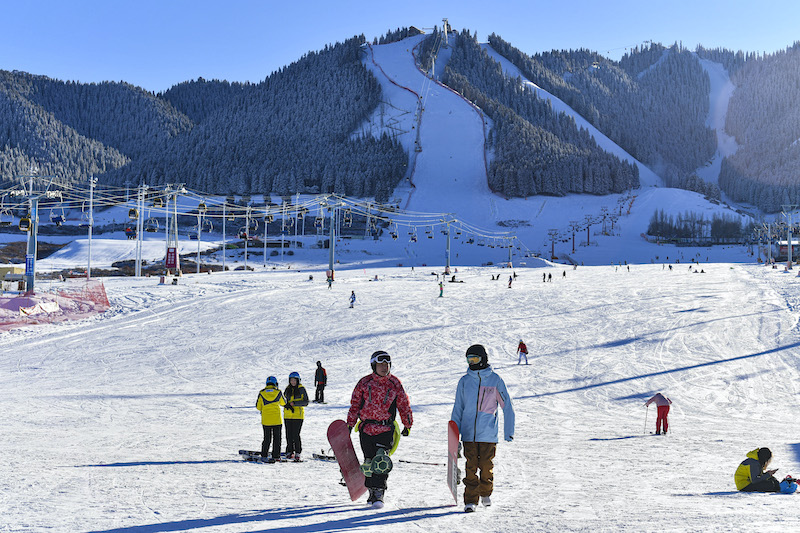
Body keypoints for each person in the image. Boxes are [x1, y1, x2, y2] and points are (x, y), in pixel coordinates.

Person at [451, 344, 515, 513]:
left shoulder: (495, 380)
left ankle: (485, 492)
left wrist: (509, 431)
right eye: (469, 360)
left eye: (475, 359)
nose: (472, 363)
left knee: (486, 466)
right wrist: (454, 433)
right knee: (470, 468)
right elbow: (458, 407)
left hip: (488, 434)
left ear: (483, 359)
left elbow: (506, 406)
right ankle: (470, 500)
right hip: (468, 434)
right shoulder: (464, 381)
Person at [347, 350, 413, 506]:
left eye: (387, 364)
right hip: (366, 429)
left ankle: (379, 493)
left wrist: (407, 423)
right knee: (369, 462)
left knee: (381, 460)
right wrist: (350, 424)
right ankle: (371, 491)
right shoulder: (364, 383)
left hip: (386, 430)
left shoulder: (395, 384)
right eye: (381, 364)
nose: (384, 367)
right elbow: (355, 405)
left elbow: (404, 405)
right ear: (373, 365)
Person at [256, 376, 286, 463]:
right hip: (277, 420)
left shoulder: (262, 393)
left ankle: (264, 454)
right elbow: (283, 403)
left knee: (267, 438)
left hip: (266, 420)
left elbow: (258, 407)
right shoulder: (278, 392)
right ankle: (276, 455)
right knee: (277, 438)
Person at [283, 371, 309, 461]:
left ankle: (298, 452)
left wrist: (295, 404)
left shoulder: (301, 389)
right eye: (291, 380)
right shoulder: (287, 389)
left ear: (298, 380)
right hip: (287, 415)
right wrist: (285, 405)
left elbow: (306, 402)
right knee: (288, 434)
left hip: (298, 416)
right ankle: (289, 451)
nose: (293, 382)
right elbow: (283, 400)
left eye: (294, 380)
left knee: (295, 435)